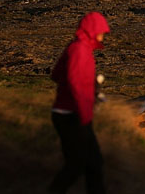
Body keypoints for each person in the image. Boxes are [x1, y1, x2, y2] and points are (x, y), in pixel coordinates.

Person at [48, 11, 110, 194]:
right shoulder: (80, 50)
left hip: (67, 113)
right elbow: (75, 83)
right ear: (93, 30)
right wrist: (85, 115)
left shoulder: (76, 47)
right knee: (82, 164)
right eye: (101, 31)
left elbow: (56, 75)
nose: (103, 35)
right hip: (72, 115)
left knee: (88, 163)